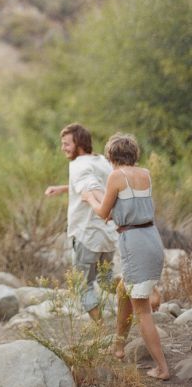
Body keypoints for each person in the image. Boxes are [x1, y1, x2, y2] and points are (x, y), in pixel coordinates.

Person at [81, 132, 169, 381]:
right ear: (134, 154)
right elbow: (124, 207)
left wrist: (89, 197)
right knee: (122, 290)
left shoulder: (116, 176)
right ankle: (119, 347)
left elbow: (102, 213)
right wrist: (108, 204)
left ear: (110, 156)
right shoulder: (145, 175)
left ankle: (162, 368)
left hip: (135, 245)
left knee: (142, 311)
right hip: (152, 238)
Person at [45, 123, 117, 320]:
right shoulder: (101, 160)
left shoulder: (78, 165)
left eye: (67, 144)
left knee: (82, 285)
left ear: (79, 143)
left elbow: (92, 187)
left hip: (87, 234)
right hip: (108, 234)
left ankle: (101, 330)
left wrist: (108, 207)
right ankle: (140, 291)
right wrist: (62, 188)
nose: (63, 148)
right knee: (106, 281)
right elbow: (90, 184)